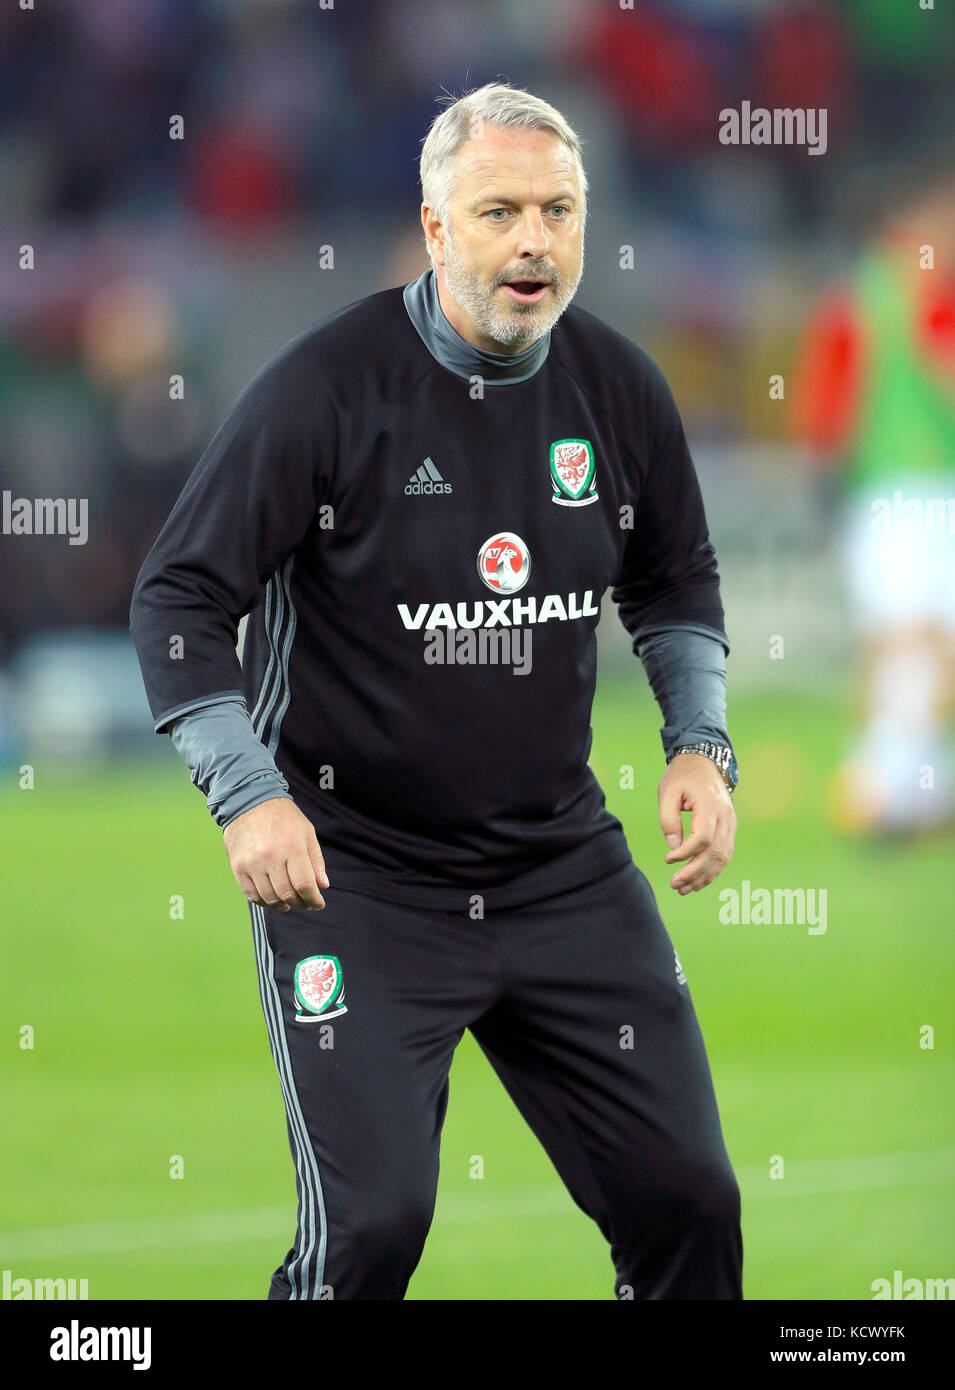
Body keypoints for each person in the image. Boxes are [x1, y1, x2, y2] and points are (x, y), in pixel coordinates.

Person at [130, 82, 742, 1301]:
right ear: (435, 228)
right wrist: (248, 796)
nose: (534, 241)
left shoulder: (619, 391)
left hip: (557, 867)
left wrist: (699, 743)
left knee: (689, 1200)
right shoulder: (326, 390)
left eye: (558, 211)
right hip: (357, 880)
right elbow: (179, 599)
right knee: (373, 1232)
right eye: (500, 209)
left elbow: (676, 584)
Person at [792, 167, 955, 836]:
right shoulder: (909, 294)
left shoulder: (860, 294)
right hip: (906, 489)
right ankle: (885, 780)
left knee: (912, 637)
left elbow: (823, 392)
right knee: (912, 635)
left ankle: (908, 780)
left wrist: (823, 469)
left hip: (890, 491)